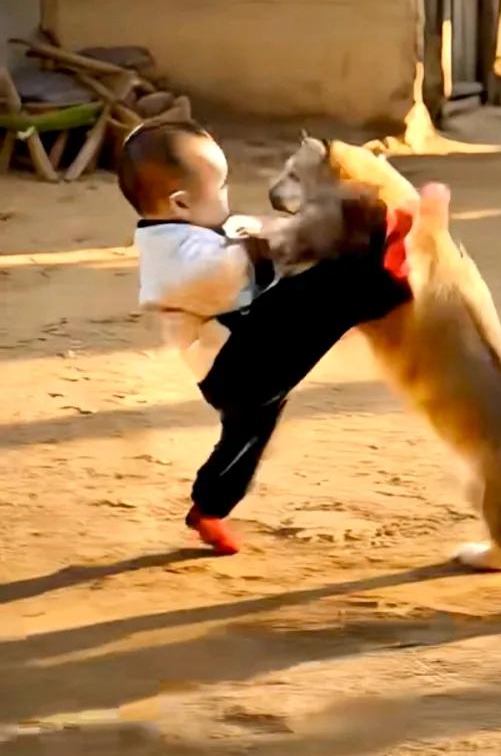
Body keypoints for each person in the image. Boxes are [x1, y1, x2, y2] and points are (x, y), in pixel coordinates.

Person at [117, 116, 413, 554]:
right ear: (180, 204)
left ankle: (209, 507)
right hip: (239, 366)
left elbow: (237, 251)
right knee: (323, 295)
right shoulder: (174, 258)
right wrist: (274, 239)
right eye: (220, 190)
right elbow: (226, 268)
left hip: (237, 372)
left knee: (245, 437)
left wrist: (256, 236)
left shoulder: (185, 234)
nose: (226, 199)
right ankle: (382, 269)